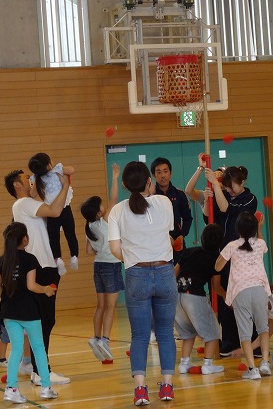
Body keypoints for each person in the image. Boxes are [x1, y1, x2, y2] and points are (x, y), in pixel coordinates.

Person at [108, 161, 177, 406]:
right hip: (165, 272)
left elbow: (115, 249)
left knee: (139, 335)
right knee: (166, 333)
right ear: (150, 181)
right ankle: (167, 387)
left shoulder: (117, 211)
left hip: (136, 274)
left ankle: (140, 390)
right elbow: (168, 233)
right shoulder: (164, 202)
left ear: (124, 184)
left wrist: (133, 259)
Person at [4, 169, 71, 385]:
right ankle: (41, 372)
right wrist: (65, 185)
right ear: (17, 185)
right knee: (45, 321)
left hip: (45, 266)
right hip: (42, 268)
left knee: (43, 321)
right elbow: (55, 210)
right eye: (26, 178)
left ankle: (36, 369)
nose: (30, 180)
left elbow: (44, 199)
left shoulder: (27, 204)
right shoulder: (23, 204)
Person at [0, 222, 58, 403]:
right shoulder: (30, 259)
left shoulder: (2, 260)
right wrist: (46, 289)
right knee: (38, 347)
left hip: (8, 311)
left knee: (16, 349)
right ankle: (46, 388)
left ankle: (11, 389)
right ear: (24, 239)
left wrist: (9, 294)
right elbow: (31, 286)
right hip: (29, 311)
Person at [205, 164, 258, 357]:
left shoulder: (249, 199)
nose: (229, 190)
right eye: (226, 187)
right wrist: (208, 197)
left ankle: (254, 342)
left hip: (242, 258)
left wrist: (216, 185)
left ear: (242, 182)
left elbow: (226, 209)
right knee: (225, 299)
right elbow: (209, 218)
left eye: (231, 186)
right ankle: (229, 341)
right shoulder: (224, 195)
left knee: (244, 299)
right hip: (224, 255)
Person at [215, 212, 271, 380]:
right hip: (260, 290)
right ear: (255, 228)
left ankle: (252, 369)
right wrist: (259, 229)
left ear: (237, 229)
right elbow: (264, 247)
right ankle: (265, 363)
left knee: (245, 334)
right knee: (263, 328)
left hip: (241, 292)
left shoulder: (232, 246)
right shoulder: (260, 244)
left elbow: (217, 267)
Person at [81, 163, 123, 362]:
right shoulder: (105, 220)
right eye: (100, 206)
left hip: (98, 266)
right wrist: (115, 177)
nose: (104, 205)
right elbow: (114, 198)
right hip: (111, 266)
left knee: (100, 305)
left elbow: (89, 251)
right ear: (98, 213)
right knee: (111, 306)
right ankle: (105, 340)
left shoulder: (89, 227)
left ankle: (96, 337)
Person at [175, 223, 224, 375]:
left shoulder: (188, 251)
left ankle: (184, 364)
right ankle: (207, 364)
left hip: (177, 296)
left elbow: (173, 273)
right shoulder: (215, 258)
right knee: (213, 332)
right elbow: (216, 286)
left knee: (187, 333)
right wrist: (226, 296)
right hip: (195, 297)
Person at [28, 153, 79, 275]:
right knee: (70, 233)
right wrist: (63, 170)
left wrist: (35, 180)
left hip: (52, 211)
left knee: (54, 237)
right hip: (64, 208)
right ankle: (74, 256)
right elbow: (72, 170)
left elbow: (32, 194)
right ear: (48, 164)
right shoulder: (56, 170)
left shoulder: (37, 178)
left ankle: (58, 259)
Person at [150, 157, 193, 263]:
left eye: (165, 171)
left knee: (180, 270)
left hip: (177, 241)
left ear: (170, 173)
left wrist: (182, 235)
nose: (163, 175)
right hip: (157, 243)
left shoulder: (180, 194)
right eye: (159, 172)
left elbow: (187, 218)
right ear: (154, 175)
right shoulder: (150, 196)